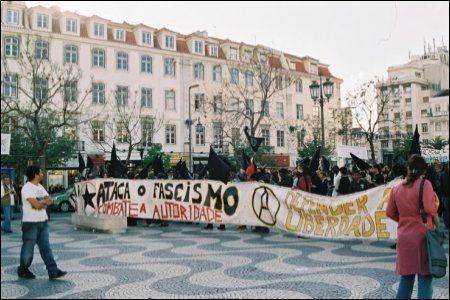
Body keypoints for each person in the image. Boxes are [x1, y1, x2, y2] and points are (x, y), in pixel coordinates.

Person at [386, 154, 439, 299]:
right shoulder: (425, 184)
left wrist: (404, 220)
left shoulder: (396, 188)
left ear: (408, 169)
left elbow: (389, 212)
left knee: (406, 279)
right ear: (424, 171)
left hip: (404, 238)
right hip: (423, 238)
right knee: (425, 279)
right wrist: (437, 205)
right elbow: (429, 209)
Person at [17, 165, 67, 280]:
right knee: (28, 249)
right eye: (41, 172)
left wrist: (41, 202)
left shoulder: (40, 187)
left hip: (42, 221)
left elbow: (50, 200)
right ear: (35, 174)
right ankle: (23, 269)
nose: (42, 174)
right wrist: (42, 203)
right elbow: (36, 205)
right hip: (31, 223)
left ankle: (53, 271)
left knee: (46, 248)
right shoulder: (27, 188)